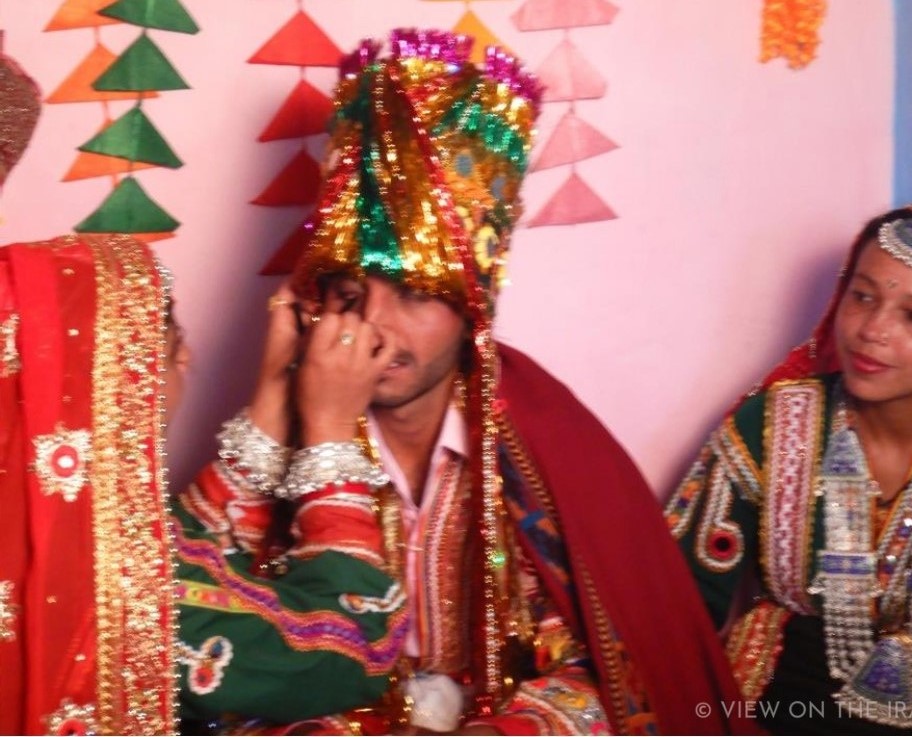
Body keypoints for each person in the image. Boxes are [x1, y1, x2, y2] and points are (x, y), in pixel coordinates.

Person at [174, 28, 754, 735]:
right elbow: (202, 641)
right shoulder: (285, 426)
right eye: (352, 291)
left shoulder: (541, 438)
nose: (377, 326)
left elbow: (612, 666)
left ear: (473, 311)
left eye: (415, 295)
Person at [666, 203, 912, 734]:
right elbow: (673, 598)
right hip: (783, 697)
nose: (872, 330)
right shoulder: (774, 423)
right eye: (862, 297)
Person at [0, 233, 189, 735]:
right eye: (155, 350)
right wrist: (326, 423)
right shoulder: (126, 586)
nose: (185, 362)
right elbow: (352, 652)